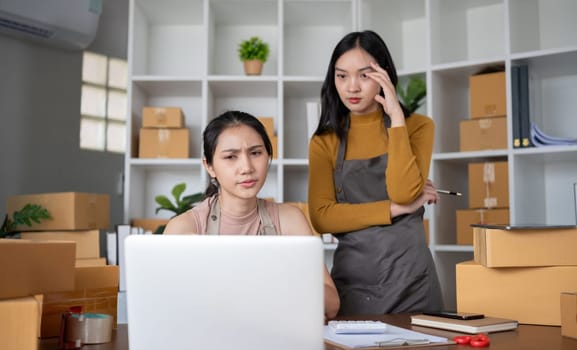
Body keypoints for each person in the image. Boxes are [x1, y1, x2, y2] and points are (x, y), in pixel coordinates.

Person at [308, 30, 443, 316]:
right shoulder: (325, 140)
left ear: (385, 75)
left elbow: (404, 190)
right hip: (353, 284)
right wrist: (394, 209)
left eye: (364, 75)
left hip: (412, 283)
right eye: (341, 76)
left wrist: (395, 118)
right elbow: (321, 216)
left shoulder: (417, 126)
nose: (351, 87)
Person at [164, 110, 340, 319]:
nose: (247, 168)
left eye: (256, 153)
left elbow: (331, 305)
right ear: (209, 166)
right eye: (231, 157)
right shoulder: (184, 229)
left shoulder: (290, 220)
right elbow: (170, 309)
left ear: (268, 156)